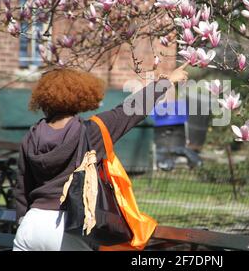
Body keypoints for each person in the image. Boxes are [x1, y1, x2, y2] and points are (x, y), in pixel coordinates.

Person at [13, 62, 189, 251]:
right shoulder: (92, 132)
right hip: (68, 227)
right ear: (80, 97)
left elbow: (22, 188)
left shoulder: (30, 137)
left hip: (30, 227)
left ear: (43, 99)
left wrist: (22, 220)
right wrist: (167, 82)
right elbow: (130, 110)